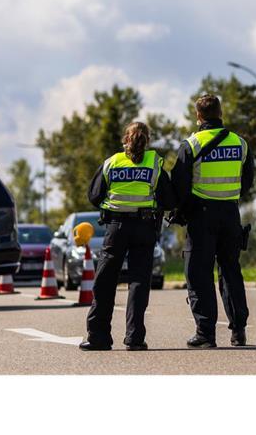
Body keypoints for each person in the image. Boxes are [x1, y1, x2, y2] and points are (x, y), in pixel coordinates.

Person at [81, 121, 174, 351]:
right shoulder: (155, 163)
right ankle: (134, 338)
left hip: (116, 227)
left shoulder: (112, 163)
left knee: (105, 281)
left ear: (125, 139)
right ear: (147, 140)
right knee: (138, 283)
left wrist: (111, 204)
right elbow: (170, 199)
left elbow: (93, 195)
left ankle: (98, 337)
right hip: (144, 227)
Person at [171, 94, 253, 348]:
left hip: (201, 216)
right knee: (230, 271)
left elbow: (179, 186)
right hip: (230, 213)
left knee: (198, 274)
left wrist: (180, 211)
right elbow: (247, 181)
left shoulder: (191, 145)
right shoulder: (240, 143)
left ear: (198, 116)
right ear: (221, 113)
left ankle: (206, 333)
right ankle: (238, 331)